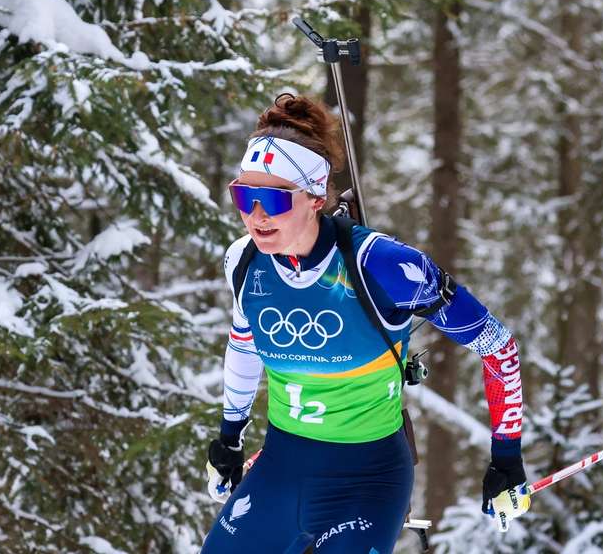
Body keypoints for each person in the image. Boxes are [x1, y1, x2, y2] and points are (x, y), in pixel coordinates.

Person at [201, 93, 529, 553]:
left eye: (272, 199)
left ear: (315, 197)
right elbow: (244, 347)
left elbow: (497, 345)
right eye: (243, 195)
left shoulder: (381, 264)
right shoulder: (245, 262)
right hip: (282, 467)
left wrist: (506, 459)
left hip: (368, 481)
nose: (254, 216)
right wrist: (229, 436)